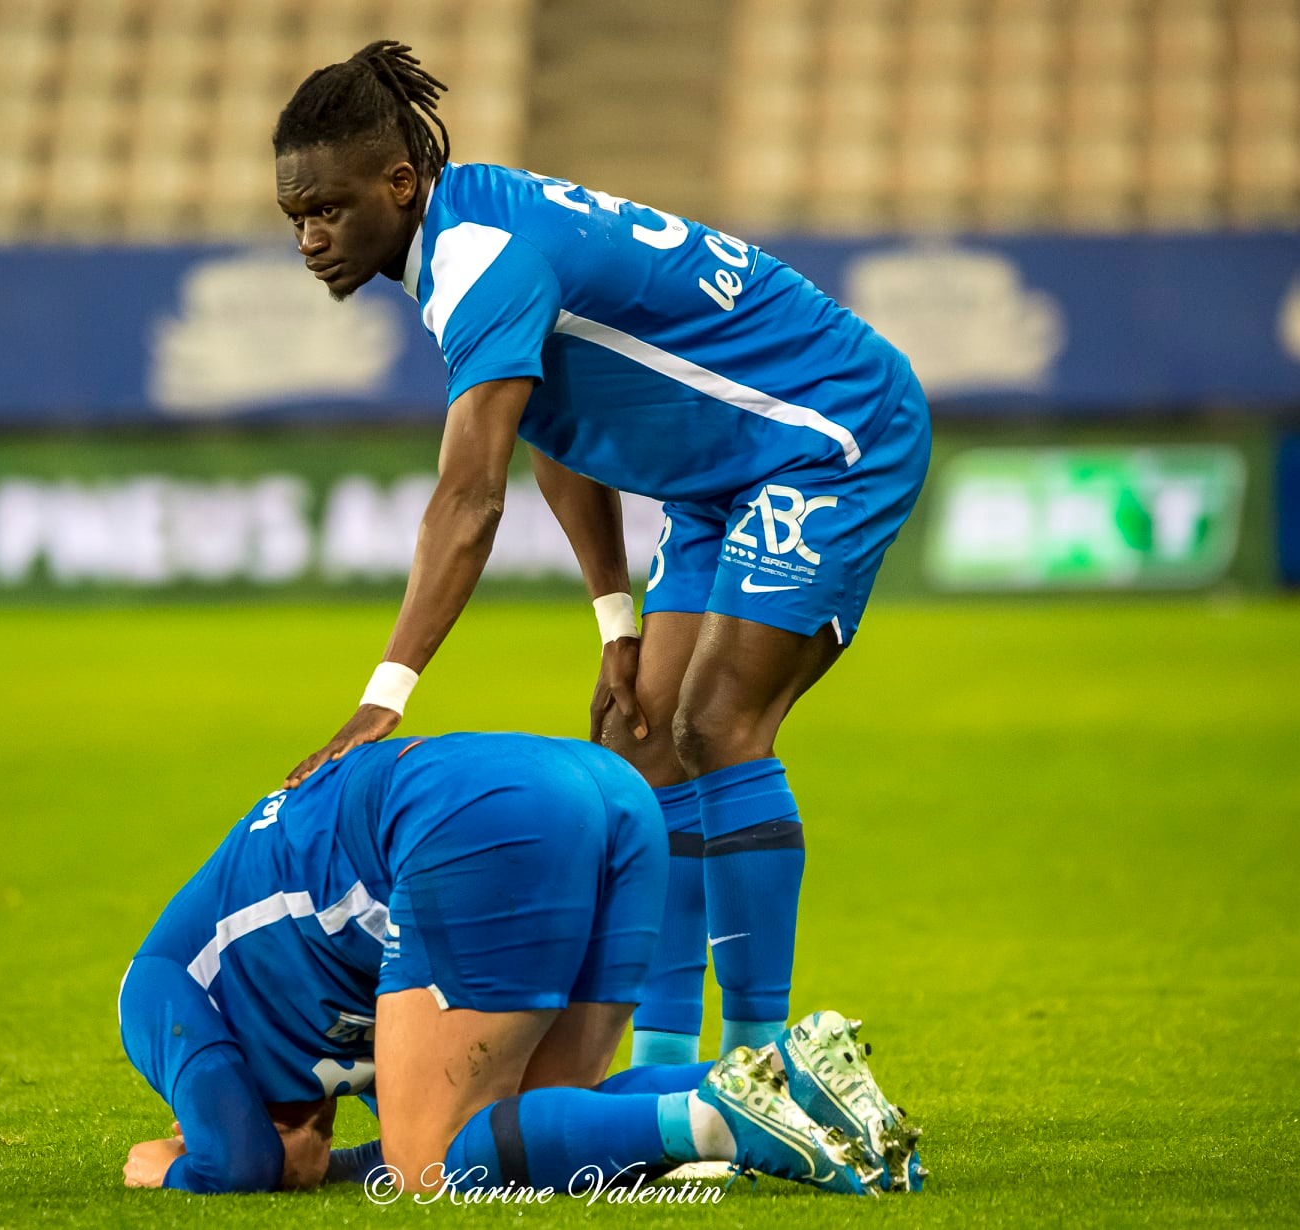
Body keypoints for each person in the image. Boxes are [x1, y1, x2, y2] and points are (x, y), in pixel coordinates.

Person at [273, 43, 933, 1068]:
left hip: (828, 430)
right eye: (296, 218)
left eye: (328, 209)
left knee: (716, 723)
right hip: (723, 476)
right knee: (642, 744)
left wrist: (386, 695)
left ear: (398, 183)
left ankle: (762, 1067)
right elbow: (560, 431)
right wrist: (615, 623)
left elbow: (468, 497)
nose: (311, 238)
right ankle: (674, 1075)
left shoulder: (479, 257)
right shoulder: (465, 231)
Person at [116, 731, 918, 1195]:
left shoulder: (157, 988)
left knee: (430, 1166)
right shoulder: (283, 988)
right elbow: (329, 1145)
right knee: (546, 1120)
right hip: (607, 792)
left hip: (482, 817)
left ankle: (722, 1123)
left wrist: (170, 1168)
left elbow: (243, 1159)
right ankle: (792, 1078)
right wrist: (338, 1162)